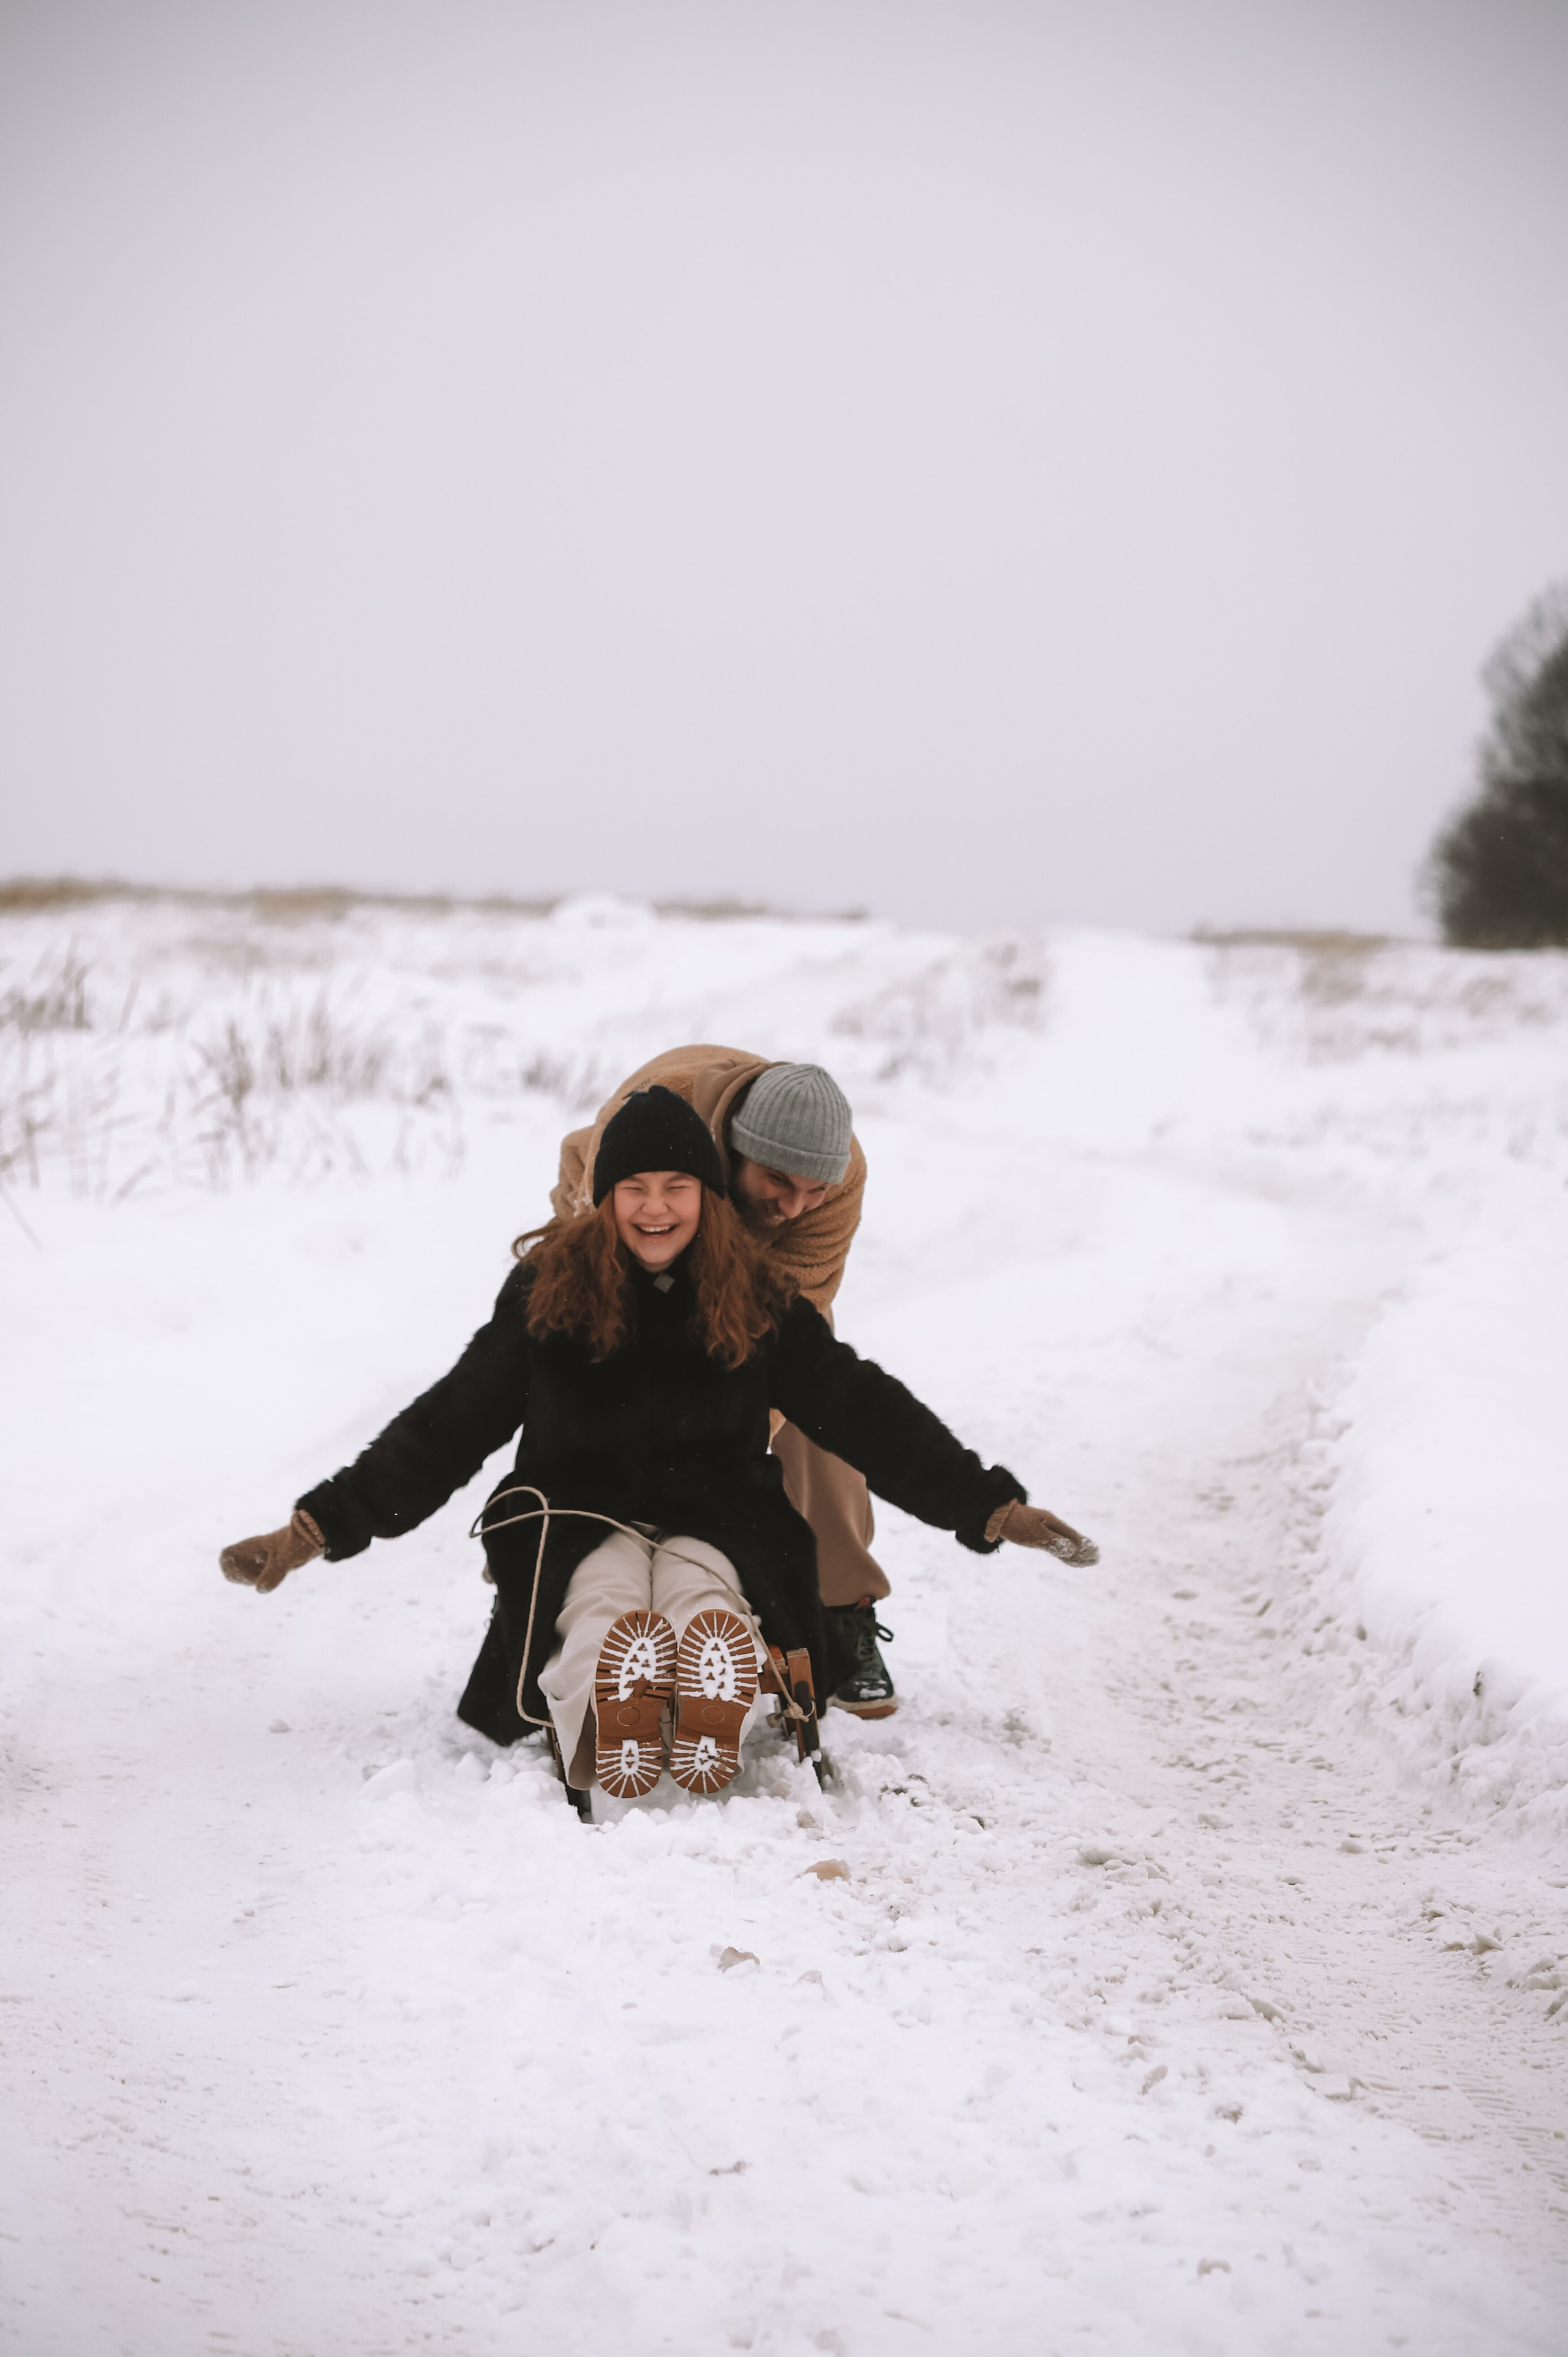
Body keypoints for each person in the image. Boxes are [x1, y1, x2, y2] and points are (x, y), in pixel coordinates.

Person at [220, 1087, 1099, 1806]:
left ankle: (709, 1696)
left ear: (708, 1196)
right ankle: (611, 1717)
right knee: (598, 1607)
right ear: (604, 1196)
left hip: (717, 1514)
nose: (654, 1207)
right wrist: (318, 1526)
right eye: (634, 1187)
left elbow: (863, 1409)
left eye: (676, 1186)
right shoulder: (548, 1291)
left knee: (703, 1596)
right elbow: (448, 1423)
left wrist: (989, 1506)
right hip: (578, 1513)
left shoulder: (757, 1294)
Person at [552, 1045, 897, 1718]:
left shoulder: (840, 1173)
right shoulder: (646, 1140)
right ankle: (536, 1597)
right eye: (778, 1181)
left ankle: (843, 1611)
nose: (796, 1206)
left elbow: (786, 1325)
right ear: (736, 1151)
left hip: (754, 1267)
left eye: (813, 1191)